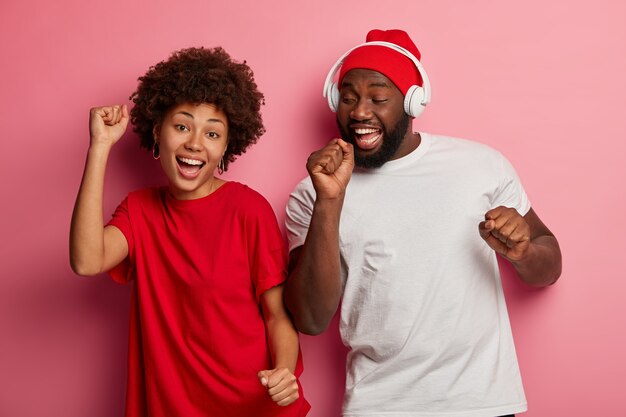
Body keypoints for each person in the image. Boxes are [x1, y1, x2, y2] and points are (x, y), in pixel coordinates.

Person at [284, 29, 562, 417]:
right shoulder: (312, 191)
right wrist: (329, 201)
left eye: (378, 98)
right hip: (378, 406)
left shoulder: (480, 166)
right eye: (348, 98)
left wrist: (524, 252)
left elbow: (549, 270)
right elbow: (309, 319)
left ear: (414, 102)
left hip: (481, 403)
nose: (360, 112)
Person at [70, 47, 310, 417]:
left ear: (227, 146)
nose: (195, 143)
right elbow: (87, 260)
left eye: (212, 133)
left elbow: (277, 314)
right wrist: (100, 146)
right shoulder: (139, 211)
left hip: (251, 404)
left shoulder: (248, 210)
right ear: (156, 131)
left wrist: (283, 369)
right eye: (181, 126)